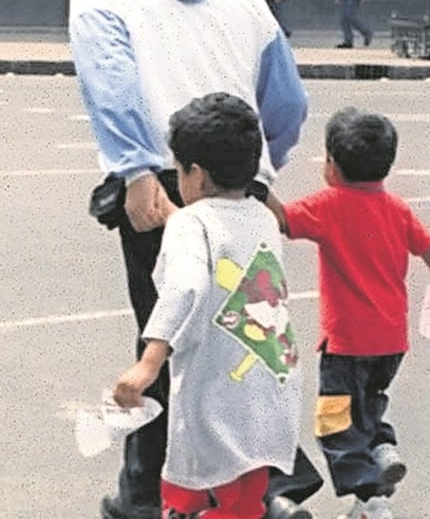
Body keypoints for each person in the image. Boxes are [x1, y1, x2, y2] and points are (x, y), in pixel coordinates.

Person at [69, 0, 320, 519]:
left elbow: (112, 86)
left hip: (162, 186)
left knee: (168, 334)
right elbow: (287, 103)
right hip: (243, 189)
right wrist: (258, 171)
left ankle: (152, 497)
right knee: (252, 334)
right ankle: (270, 482)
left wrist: (135, 173)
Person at [267, 109, 430, 519]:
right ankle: (381, 446)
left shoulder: (328, 205)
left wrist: (259, 184)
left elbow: (281, 220)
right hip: (390, 341)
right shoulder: (396, 209)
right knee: (370, 401)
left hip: (346, 344)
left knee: (335, 422)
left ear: (332, 166)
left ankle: (371, 498)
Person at [113, 92, 302, 519]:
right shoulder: (262, 217)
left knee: (188, 494)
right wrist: (177, 220)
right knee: (244, 500)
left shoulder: (189, 227)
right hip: (269, 385)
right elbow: (221, 245)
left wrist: (149, 362)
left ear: (194, 175)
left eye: (177, 169)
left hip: (217, 395)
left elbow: (187, 287)